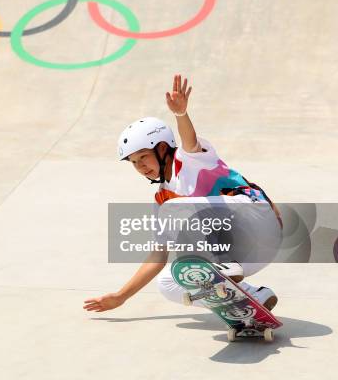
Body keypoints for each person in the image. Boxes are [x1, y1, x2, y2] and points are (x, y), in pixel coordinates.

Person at [84, 75, 282, 314]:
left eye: (143, 156)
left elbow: (189, 143)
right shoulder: (163, 199)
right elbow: (158, 255)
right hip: (254, 256)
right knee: (169, 282)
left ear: (163, 148)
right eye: (134, 162)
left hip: (258, 222)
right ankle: (251, 297)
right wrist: (120, 297)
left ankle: (225, 265)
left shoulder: (188, 160)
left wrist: (181, 114)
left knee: (180, 208)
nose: (140, 166)